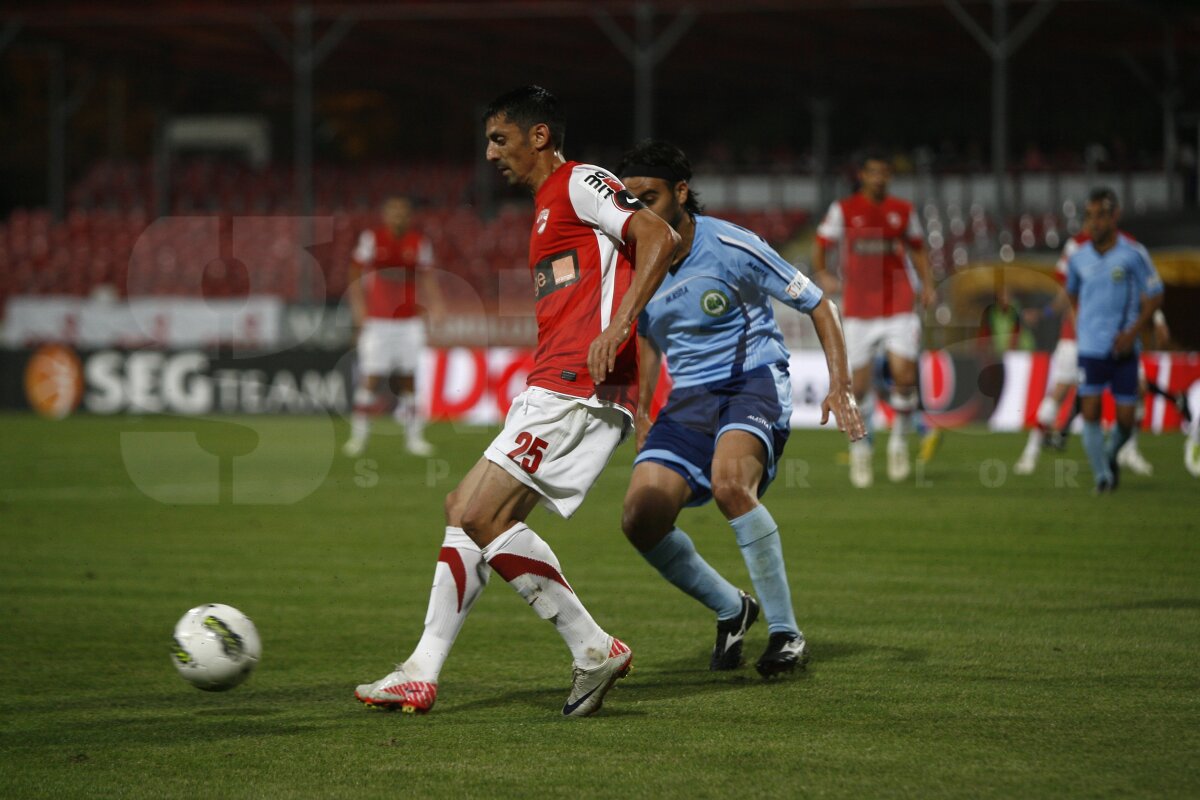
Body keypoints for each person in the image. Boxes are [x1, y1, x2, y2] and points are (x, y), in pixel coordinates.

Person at [354, 86, 681, 717]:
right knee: (463, 509)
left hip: (577, 385)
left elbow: (659, 235)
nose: (488, 154)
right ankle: (420, 670)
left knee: (482, 514)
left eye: (499, 139)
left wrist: (620, 329)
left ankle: (592, 647)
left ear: (538, 137)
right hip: (556, 381)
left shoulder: (581, 181)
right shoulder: (544, 208)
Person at [616, 141, 865, 677]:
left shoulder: (731, 243)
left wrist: (839, 384)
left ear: (681, 193)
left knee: (731, 484)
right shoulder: (632, 258)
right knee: (640, 518)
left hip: (752, 382)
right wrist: (640, 409)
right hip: (689, 399)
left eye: (651, 197)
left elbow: (820, 303)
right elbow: (649, 337)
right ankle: (733, 609)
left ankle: (786, 634)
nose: (640, 213)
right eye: (630, 202)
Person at [813, 153, 935, 487]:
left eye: (884, 172)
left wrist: (927, 286)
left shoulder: (903, 211)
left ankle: (898, 442)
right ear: (863, 176)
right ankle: (861, 450)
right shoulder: (844, 209)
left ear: (889, 177)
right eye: (873, 172)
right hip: (859, 308)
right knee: (859, 386)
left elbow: (919, 248)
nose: (879, 178)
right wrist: (823, 273)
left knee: (905, 376)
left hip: (898, 303)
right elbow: (821, 243)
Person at [1016, 229, 1171, 476]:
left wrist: (1159, 319)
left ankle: (1128, 450)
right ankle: (1031, 451)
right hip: (1078, 336)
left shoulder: (1130, 247)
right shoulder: (1076, 246)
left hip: (1118, 336)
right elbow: (1067, 291)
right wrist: (1051, 315)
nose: (1095, 221)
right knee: (1061, 389)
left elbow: (1146, 287)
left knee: (1138, 387)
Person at [1065, 188, 1163, 493]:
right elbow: (1070, 294)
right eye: (1089, 216)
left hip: (1124, 349)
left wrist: (1133, 333)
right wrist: (1081, 326)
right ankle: (1102, 478)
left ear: (1114, 216)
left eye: (1100, 216)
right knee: (1091, 413)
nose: (1094, 223)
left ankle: (1108, 456)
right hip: (1091, 349)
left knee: (1125, 420)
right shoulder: (1078, 259)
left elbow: (1155, 294)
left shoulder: (1133, 254)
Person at [343, 196, 445, 457]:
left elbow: (427, 276)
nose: (398, 216)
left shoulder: (418, 242)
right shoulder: (372, 239)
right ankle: (358, 438)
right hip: (377, 322)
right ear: (385, 215)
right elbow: (354, 273)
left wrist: (436, 305)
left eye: (402, 212)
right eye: (393, 212)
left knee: (409, 380)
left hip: (408, 321)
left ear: (409, 216)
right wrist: (358, 308)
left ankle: (414, 439)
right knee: (370, 379)